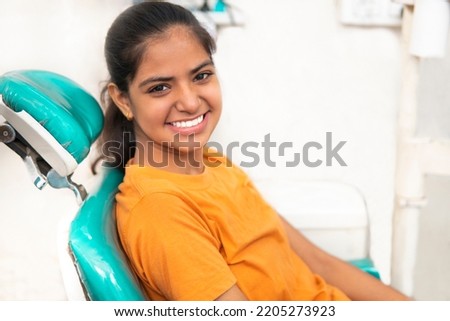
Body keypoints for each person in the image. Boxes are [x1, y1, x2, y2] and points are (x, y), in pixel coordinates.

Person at [99, 1, 410, 301]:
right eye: (160, 88)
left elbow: (318, 262)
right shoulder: (160, 209)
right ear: (124, 100)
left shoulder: (213, 163)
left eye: (201, 76)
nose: (190, 102)